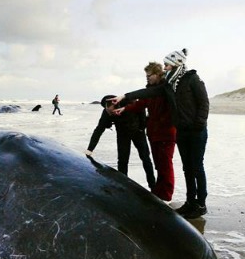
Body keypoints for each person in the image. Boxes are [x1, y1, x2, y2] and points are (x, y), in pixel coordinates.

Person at [109, 48, 210, 219]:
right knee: (187, 169)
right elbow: (147, 93)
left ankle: (200, 204)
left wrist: (199, 125)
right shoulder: (169, 85)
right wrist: (124, 97)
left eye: (167, 65)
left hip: (195, 132)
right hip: (182, 132)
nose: (165, 68)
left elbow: (204, 103)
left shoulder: (192, 79)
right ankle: (190, 202)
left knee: (196, 167)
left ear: (177, 63)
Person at [112, 62, 176, 202]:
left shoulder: (166, 88)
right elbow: (141, 103)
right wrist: (125, 109)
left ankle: (166, 196)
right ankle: (158, 192)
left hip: (166, 133)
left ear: (158, 74)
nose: (147, 78)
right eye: (146, 75)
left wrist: (157, 123)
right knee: (158, 165)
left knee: (166, 165)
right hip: (154, 133)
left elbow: (172, 112)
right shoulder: (150, 90)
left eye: (149, 75)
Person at [85, 95, 156, 190]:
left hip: (137, 132)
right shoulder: (106, 112)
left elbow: (141, 110)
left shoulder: (129, 102)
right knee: (122, 160)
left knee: (145, 158)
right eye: (108, 111)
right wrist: (90, 149)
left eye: (112, 110)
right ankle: (123, 187)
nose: (111, 113)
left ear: (115, 103)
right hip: (122, 134)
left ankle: (153, 186)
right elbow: (99, 130)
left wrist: (141, 127)